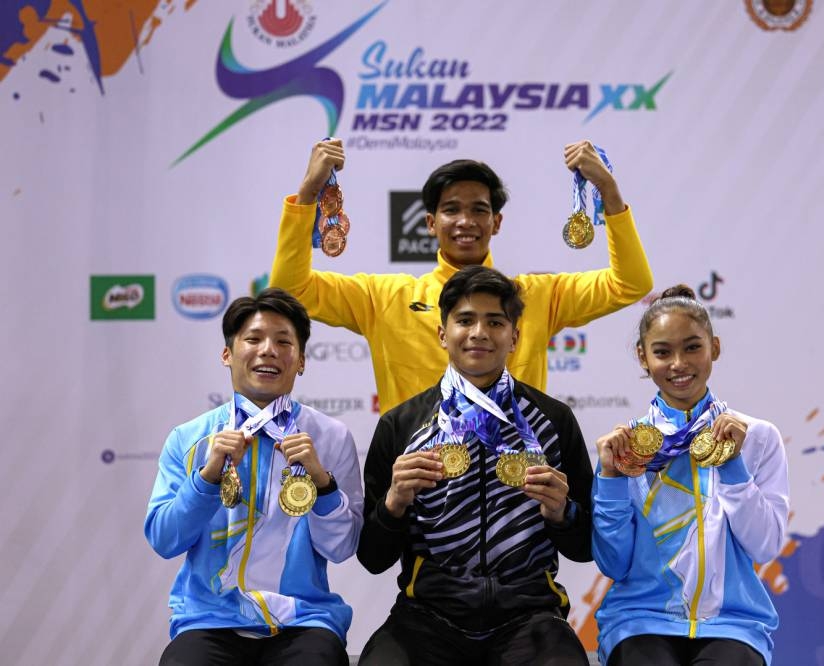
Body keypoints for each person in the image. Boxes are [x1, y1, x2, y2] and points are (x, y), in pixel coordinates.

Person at [269, 138, 653, 413]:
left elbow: (630, 283)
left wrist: (608, 191)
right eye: (451, 210)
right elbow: (292, 289)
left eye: (479, 210)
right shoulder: (383, 297)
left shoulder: (536, 295)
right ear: (431, 223)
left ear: (496, 222)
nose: (466, 221)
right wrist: (308, 193)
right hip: (417, 489)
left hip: (515, 484)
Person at [356, 265, 594, 665]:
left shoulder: (552, 421)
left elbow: (587, 547)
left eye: (495, 322)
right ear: (442, 334)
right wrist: (394, 503)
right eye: (465, 320)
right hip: (426, 617)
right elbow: (372, 558)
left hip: (530, 616)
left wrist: (562, 513)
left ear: (515, 336)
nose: (479, 332)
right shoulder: (401, 425)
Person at [144, 288, 364, 666]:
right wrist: (207, 478)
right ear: (227, 354)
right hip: (209, 620)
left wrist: (322, 484)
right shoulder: (190, 438)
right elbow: (165, 540)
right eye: (253, 339)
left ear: (301, 361)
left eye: (283, 341)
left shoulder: (330, 437)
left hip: (304, 620)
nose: (268, 350)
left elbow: (342, 548)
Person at [591, 285, 789, 666]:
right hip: (639, 621)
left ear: (714, 347)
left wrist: (732, 464)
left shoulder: (758, 437)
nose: (679, 363)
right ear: (643, 357)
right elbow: (614, 564)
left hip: (732, 622)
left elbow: (764, 546)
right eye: (663, 352)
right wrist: (612, 480)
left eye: (693, 347)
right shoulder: (625, 449)